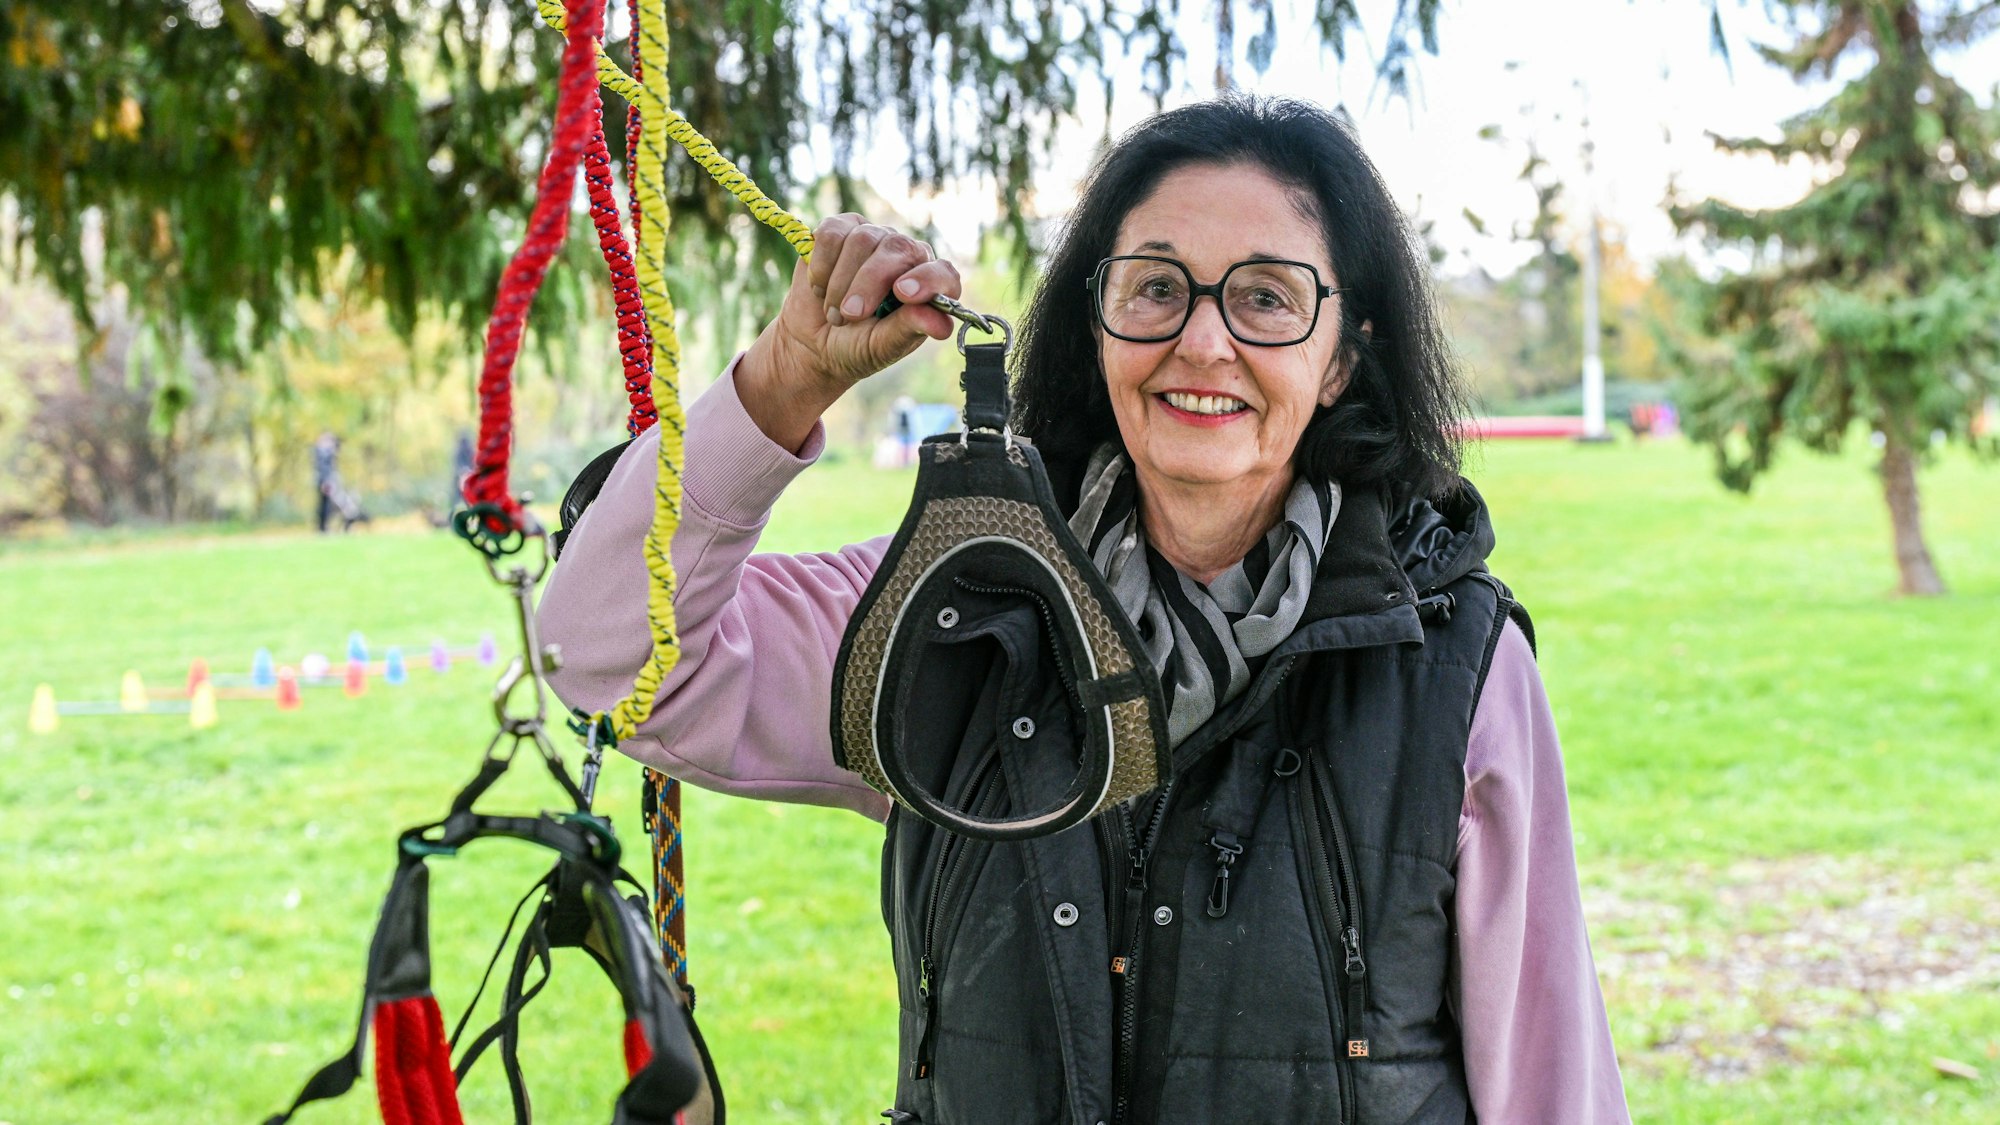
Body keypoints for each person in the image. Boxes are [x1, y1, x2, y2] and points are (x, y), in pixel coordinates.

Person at [539, 95, 1629, 1124]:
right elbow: (607, 657)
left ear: (1340, 357)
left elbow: (1548, 1080)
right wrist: (784, 377)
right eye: (1155, 287)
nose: (1202, 343)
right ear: (1095, 321)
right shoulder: (946, 611)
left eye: (1264, 298)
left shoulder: (1451, 662)